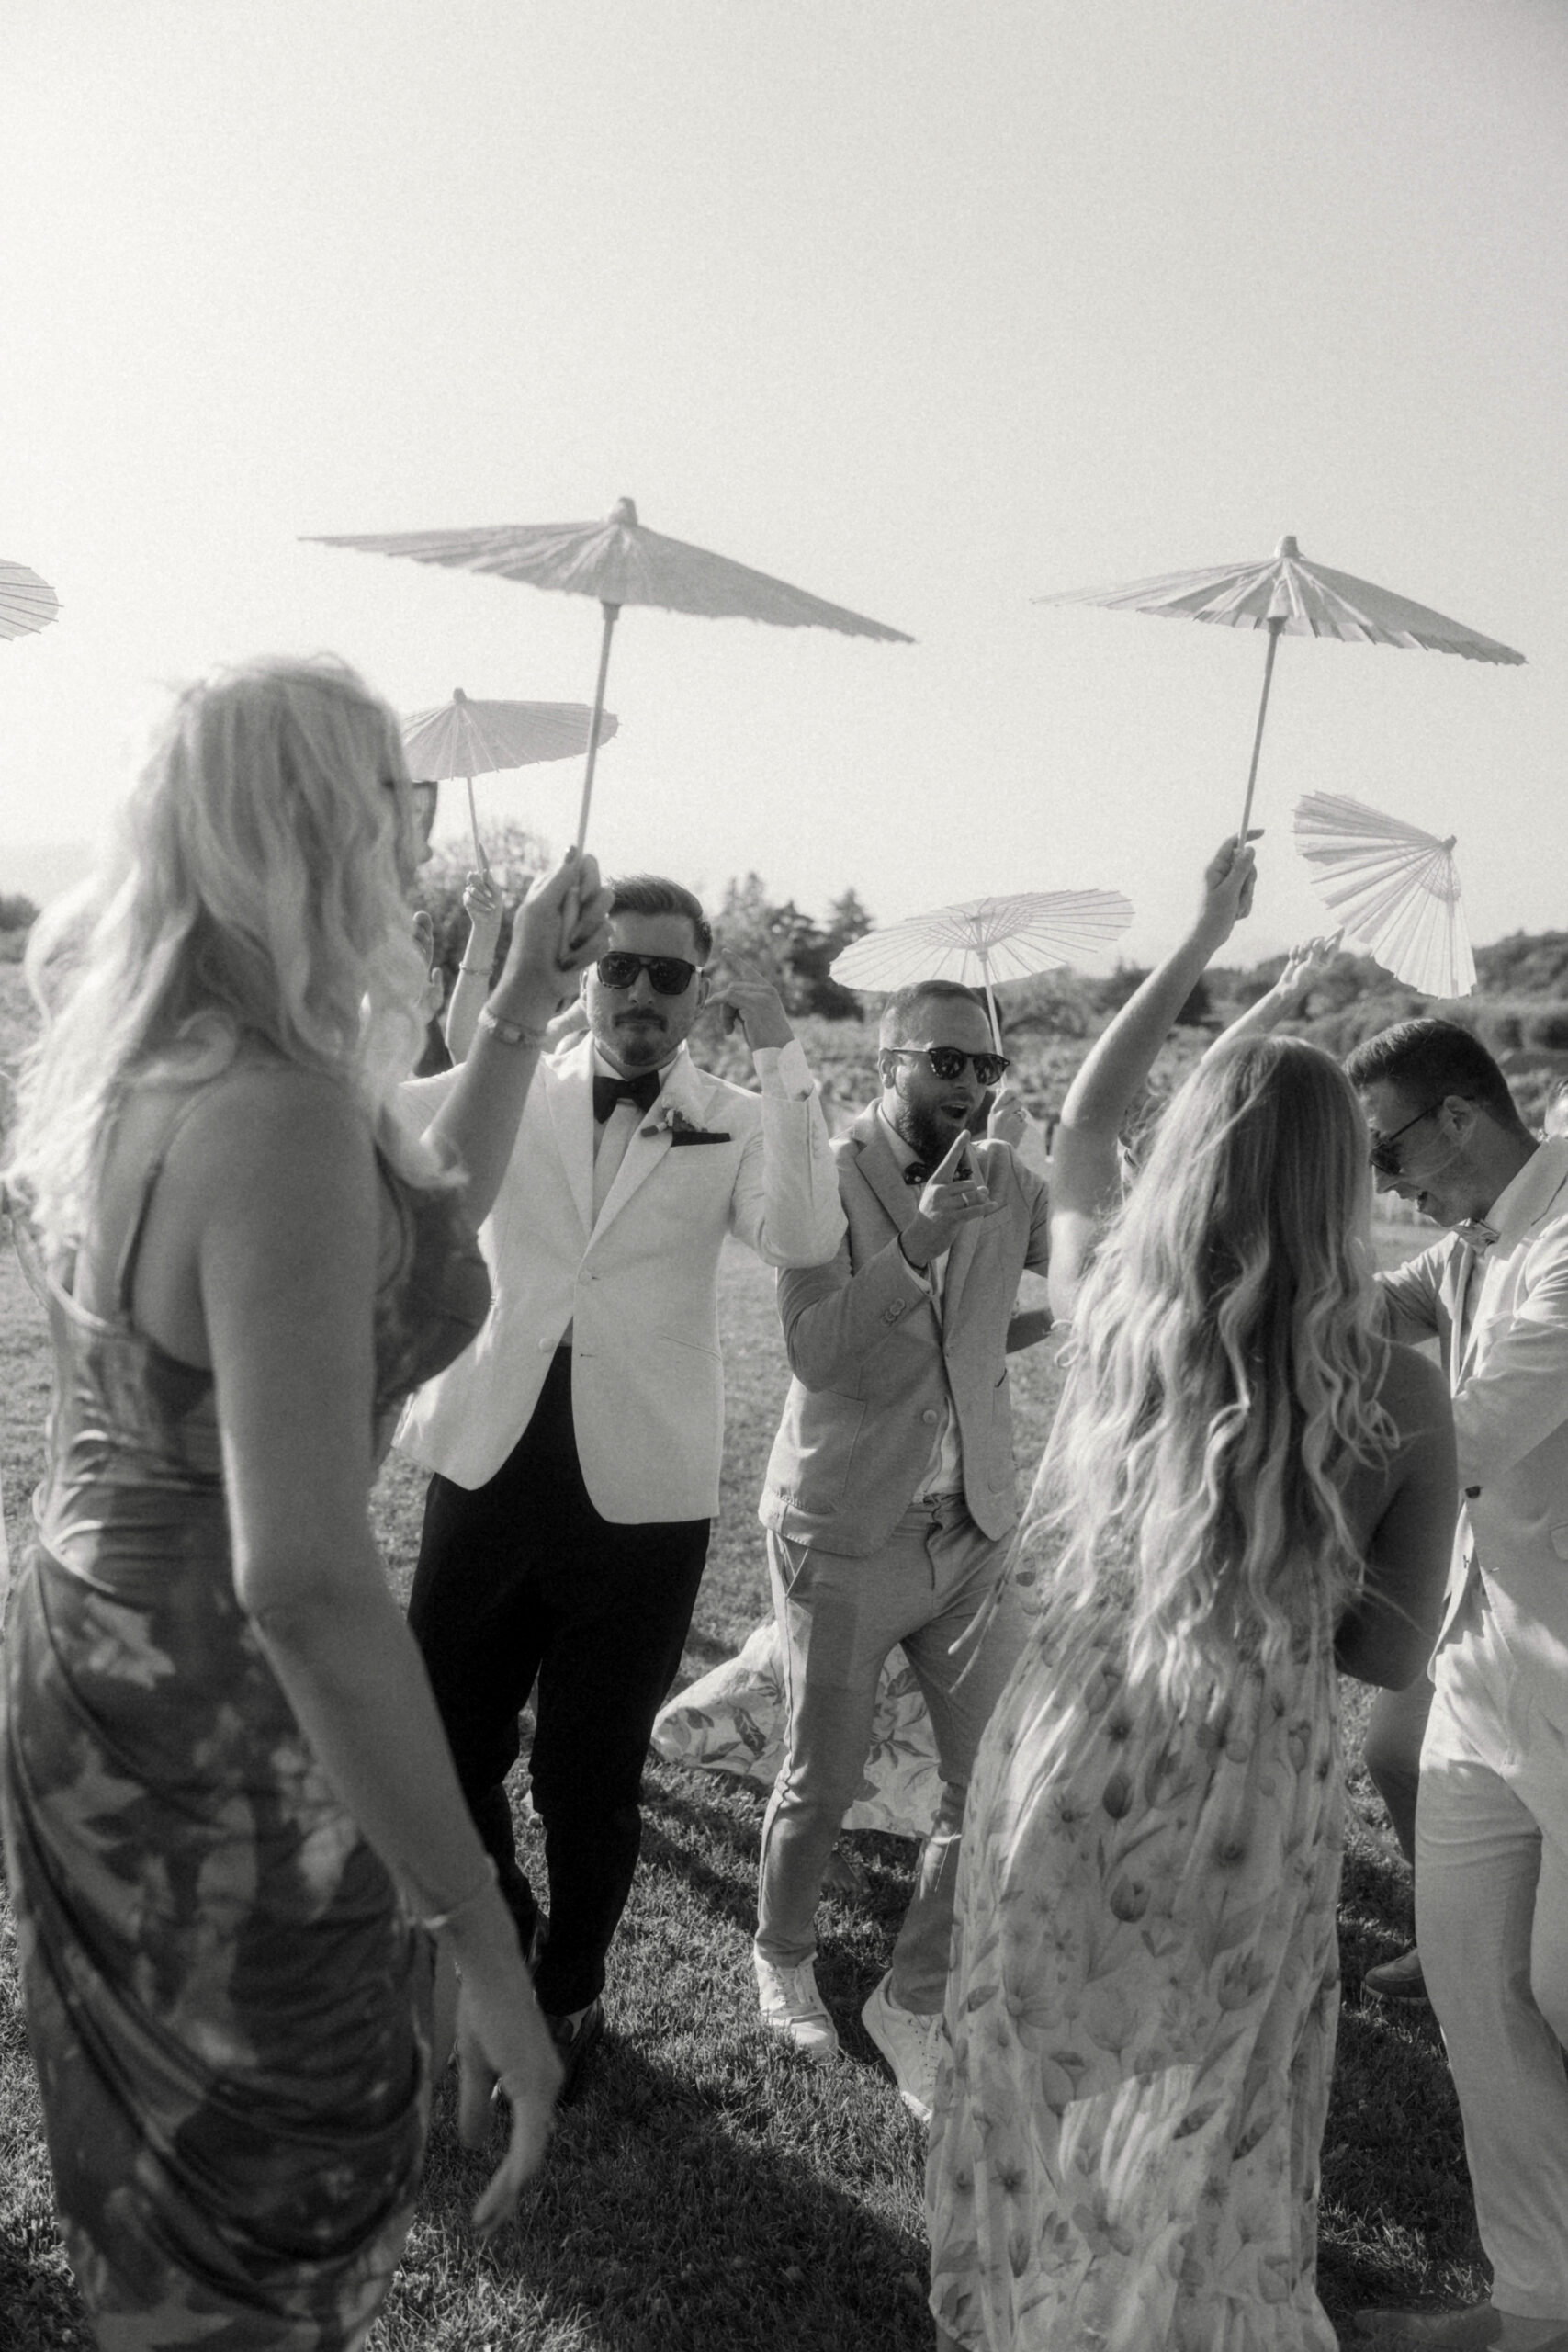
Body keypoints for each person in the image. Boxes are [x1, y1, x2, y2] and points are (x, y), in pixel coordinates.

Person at [0, 655, 613, 2348]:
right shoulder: (273, 1116)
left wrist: (514, 1011)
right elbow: (307, 1586)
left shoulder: (153, 1065)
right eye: (397, 805)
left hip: (91, 1657)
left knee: (162, 2179)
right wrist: (474, 1927)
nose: (420, 842)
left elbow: (406, 1228)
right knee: (267, 2197)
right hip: (223, 1702)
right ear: (323, 831)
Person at [927, 842, 1458, 2352]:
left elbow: (1089, 1121)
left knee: (1041, 2081)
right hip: (1247, 1787)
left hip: (1071, 1755)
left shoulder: (1113, 1311)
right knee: (1209, 2112)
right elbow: (1390, 1648)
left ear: (1191, 1161)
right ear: (1346, 1183)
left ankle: (1028, 2314)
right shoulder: (1400, 1390)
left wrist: (1207, 945)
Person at [397, 879, 846, 2098]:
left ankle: (569, 1989)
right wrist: (472, 992)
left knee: (587, 1776)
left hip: (642, 1496)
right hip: (485, 1462)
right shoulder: (514, 1087)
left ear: (702, 993)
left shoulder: (737, 1117)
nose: (641, 992)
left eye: (668, 974)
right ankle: (505, 1938)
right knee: (439, 1745)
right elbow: (402, 1136)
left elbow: (807, 1236)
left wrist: (781, 1052)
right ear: (589, 974)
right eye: (621, 969)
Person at [750, 978, 1053, 2118]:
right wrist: (919, 1242)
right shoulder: (825, 1174)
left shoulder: (1009, 1176)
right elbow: (818, 1352)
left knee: (999, 1777)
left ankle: (911, 1998)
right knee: (821, 1778)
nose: (971, 1082)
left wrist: (1060, 1307)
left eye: (987, 1065)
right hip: (846, 1530)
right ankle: (782, 1954)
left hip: (971, 1531)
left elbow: (1024, 1303)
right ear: (890, 1063)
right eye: (947, 1060)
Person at [1345, 1020, 1568, 2352]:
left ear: (1459, 1120)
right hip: (1479, 1676)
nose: (1384, 1184)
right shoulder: (1472, 1237)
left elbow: (1466, 1436)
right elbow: (1383, 1303)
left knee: (1557, 1999)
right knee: (1478, 1999)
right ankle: (1534, 2311)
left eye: (1386, 1154)